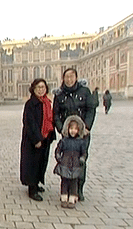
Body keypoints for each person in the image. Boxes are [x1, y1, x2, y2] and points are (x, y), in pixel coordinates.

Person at [53, 68, 96, 201]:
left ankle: (78, 189)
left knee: (80, 161)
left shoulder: (85, 91)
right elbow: (55, 114)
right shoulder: (59, 95)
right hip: (67, 134)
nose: (69, 79)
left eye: (72, 76)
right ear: (63, 78)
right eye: (66, 77)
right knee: (66, 161)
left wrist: (87, 127)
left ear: (76, 78)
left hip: (82, 134)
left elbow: (91, 109)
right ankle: (66, 188)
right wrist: (61, 129)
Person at [20, 78, 56, 201]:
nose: (40, 90)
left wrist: (50, 135)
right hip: (33, 140)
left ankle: (37, 183)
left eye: (43, 87)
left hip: (45, 137)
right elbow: (29, 123)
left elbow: (50, 119)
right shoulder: (30, 104)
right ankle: (32, 189)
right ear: (33, 89)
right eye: (38, 87)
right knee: (32, 164)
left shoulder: (47, 102)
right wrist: (36, 139)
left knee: (41, 162)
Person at [53, 115, 87, 209]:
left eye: (75, 129)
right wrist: (58, 157)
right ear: (67, 129)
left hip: (75, 164)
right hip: (65, 163)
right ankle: (64, 196)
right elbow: (58, 150)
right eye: (71, 128)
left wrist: (82, 159)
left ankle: (72, 197)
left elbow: (84, 153)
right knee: (64, 181)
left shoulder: (81, 142)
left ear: (79, 130)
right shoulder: (64, 141)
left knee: (74, 182)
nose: (73, 131)